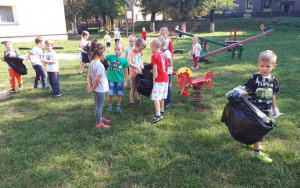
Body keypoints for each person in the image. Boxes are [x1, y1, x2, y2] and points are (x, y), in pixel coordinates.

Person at [230, 50, 279, 163]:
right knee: (257, 130)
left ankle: (253, 141)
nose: (264, 69)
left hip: (265, 110)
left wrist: (274, 108)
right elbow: (247, 90)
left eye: (268, 66)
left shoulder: (273, 80)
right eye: (262, 66)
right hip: (254, 110)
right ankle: (256, 153)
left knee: (261, 129)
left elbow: (273, 95)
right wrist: (239, 91)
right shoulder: (255, 77)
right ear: (258, 64)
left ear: (273, 66)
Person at [86, 39, 110, 128]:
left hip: (96, 89)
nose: (106, 55)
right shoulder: (99, 65)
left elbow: (89, 76)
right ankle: (99, 123)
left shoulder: (92, 62)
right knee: (99, 106)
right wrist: (92, 87)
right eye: (105, 53)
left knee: (97, 105)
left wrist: (90, 86)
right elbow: (97, 80)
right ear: (101, 53)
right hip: (100, 89)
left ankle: (99, 117)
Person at [106, 42, 129, 112]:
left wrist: (125, 81)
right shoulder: (111, 57)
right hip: (111, 80)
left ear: (123, 50)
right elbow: (103, 57)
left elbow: (126, 72)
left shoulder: (125, 60)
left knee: (119, 95)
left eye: (118, 49)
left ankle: (118, 107)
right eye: (115, 49)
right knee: (110, 94)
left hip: (120, 81)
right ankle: (110, 106)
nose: (116, 51)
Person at [150, 39, 168, 124]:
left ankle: (158, 115)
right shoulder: (163, 55)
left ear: (154, 47)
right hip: (165, 78)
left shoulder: (154, 56)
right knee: (162, 96)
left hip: (159, 79)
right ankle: (162, 110)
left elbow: (155, 68)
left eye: (150, 47)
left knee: (156, 97)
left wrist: (154, 79)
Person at [127, 37, 146, 107]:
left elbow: (141, 59)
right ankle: (131, 101)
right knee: (133, 87)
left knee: (139, 86)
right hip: (133, 74)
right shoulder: (130, 53)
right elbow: (129, 63)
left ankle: (138, 99)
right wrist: (136, 67)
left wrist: (141, 65)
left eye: (142, 49)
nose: (141, 51)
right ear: (136, 46)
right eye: (140, 49)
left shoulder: (140, 52)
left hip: (139, 72)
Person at [158, 37, 173, 107]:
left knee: (167, 87)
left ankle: (168, 102)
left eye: (158, 46)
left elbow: (171, 63)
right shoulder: (161, 52)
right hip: (163, 73)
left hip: (168, 73)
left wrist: (163, 65)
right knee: (163, 87)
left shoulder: (167, 53)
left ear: (161, 45)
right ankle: (164, 100)